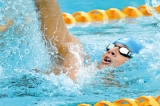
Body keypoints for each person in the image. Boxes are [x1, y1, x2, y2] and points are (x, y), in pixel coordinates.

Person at [34, 0, 143, 81]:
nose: (111, 50)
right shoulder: (80, 65)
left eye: (123, 51)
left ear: (132, 63)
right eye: (111, 46)